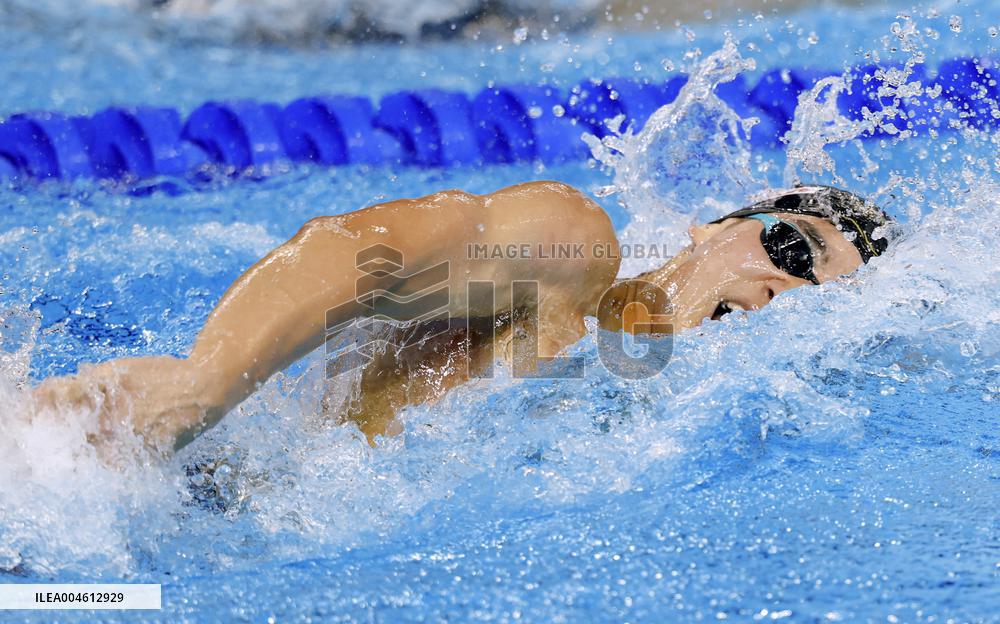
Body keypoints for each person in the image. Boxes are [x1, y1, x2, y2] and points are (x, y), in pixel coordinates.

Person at [30, 181, 891, 453]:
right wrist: (208, 382)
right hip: (181, 479)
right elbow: (360, 248)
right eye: (793, 249)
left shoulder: (685, 433)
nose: (790, 290)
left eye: (821, 298)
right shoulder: (572, 256)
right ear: (715, 224)